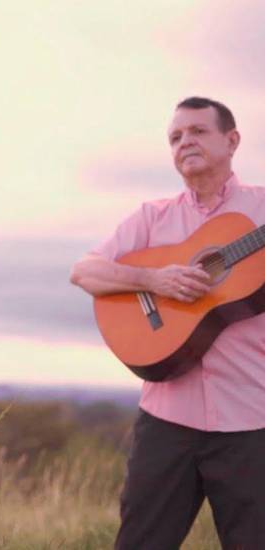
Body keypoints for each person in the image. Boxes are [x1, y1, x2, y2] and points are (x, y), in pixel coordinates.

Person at [71, 97, 265, 549]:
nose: (184, 143)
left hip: (251, 421)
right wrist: (152, 279)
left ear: (232, 140)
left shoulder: (259, 212)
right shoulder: (151, 216)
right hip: (166, 422)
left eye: (197, 131)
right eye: (175, 137)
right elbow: (84, 271)